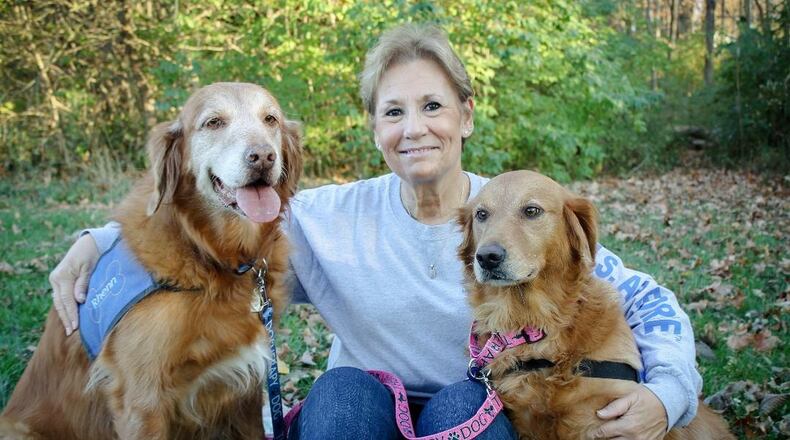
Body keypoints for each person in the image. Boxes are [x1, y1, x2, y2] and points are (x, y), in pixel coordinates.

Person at [49, 24, 700, 439]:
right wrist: (100, 240)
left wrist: (668, 396)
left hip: (470, 403)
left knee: (456, 405)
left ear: (466, 116)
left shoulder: (510, 215)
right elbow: (206, 235)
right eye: (394, 111)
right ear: (375, 127)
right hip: (360, 405)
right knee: (338, 396)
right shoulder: (318, 219)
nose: (414, 128)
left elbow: (642, 297)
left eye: (432, 105)